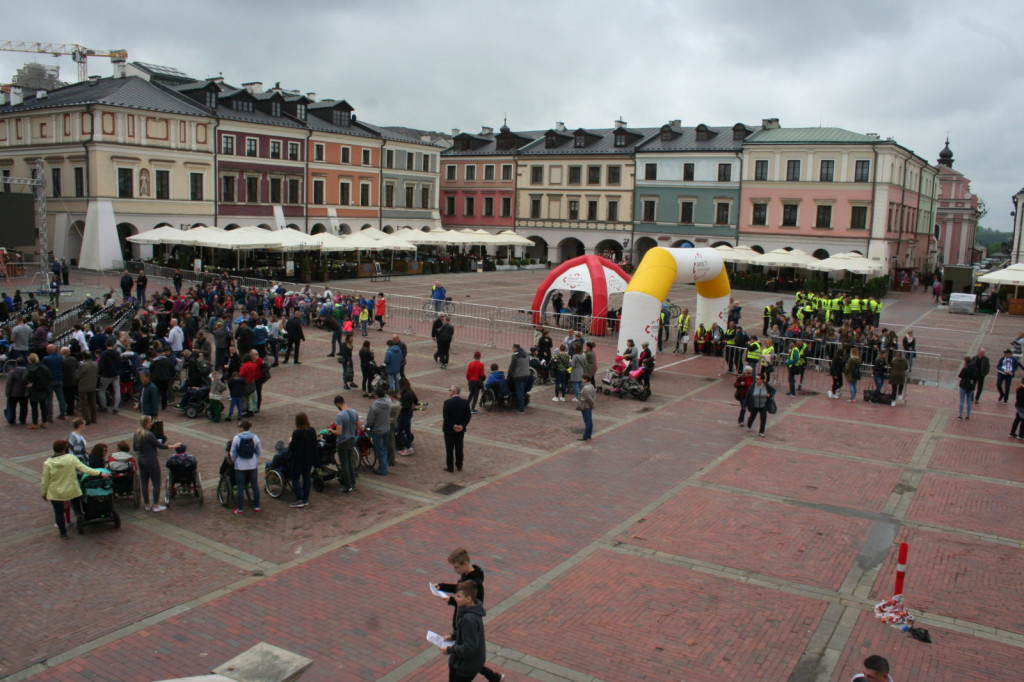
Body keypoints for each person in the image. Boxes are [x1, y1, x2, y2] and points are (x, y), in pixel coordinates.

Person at [432, 548, 505, 682]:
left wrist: (451, 600)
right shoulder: (467, 578)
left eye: (456, 568)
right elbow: (459, 590)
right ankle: (493, 676)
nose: (456, 571)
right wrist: (442, 587)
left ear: (465, 564)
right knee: (461, 656)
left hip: (467, 660)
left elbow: (469, 648)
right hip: (462, 627)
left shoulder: (470, 615)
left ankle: (493, 676)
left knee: (465, 656)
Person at [41, 439, 110, 538]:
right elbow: (85, 469)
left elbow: (45, 480)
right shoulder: (70, 458)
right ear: (65, 449)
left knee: (59, 513)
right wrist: (100, 473)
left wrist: (44, 493)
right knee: (77, 506)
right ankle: (79, 517)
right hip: (71, 489)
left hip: (56, 492)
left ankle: (63, 533)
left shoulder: (48, 463)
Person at [437, 581, 488, 682]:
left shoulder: (469, 619)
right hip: (468, 661)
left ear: (468, 599)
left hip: (467, 665)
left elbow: (469, 647)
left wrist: (449, 650)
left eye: (459, 596)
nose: (455, 598)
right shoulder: (471, 610)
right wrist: (453, 636)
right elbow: (465, 632)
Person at [133, 415, 179, 512]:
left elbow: (135, 448)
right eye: (150, 422)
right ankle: (156, 505)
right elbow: (160, 446)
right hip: (151, 459)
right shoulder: (149, 434)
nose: (151, 424)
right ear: (146, 424)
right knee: (156, 482)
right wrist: (173, 446)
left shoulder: (136, 433)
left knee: (144, 483)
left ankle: (147, 504)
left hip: (141, 459)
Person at [229, 419, 262, 514]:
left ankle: (240, 509)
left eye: (239, 426)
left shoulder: (237, 438)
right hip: (252, 465)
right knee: (254, 485)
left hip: (240, 466)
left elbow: (233, 453)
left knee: (240, 487)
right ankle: (257, 506)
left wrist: (235, 460)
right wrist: (254, 458)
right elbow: (259, 451)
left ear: (242, 428)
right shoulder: (255, 437)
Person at [328, 395, 358, 493]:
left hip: (343, 441)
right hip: (352, 439)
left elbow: (339, 432)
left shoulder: (340, 416)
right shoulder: (354, 412)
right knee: (350, 462)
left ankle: (348, 486)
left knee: (344, 464)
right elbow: (358, 426)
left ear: (337, 404)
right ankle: (353, 482)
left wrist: (331, 430)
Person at [288, 412, 317, 508]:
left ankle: (299, 498)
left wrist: (290, 442)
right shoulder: (312, 430)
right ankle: (306, 498)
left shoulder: (297, 432)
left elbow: (292, 447)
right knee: (306, 478)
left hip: (298, 459)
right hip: (308, 458)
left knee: (295, 478)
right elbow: (314, 444)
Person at [442, 385, 471, 472]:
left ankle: (450, 467)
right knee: (459, 447)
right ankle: (459, 465)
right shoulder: (465, 402)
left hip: (449, 429)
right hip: (460, 430)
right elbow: (468, 416)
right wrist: (462, 425)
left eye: (450, 390)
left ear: (453, 392)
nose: (449, 392)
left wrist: (453, 425)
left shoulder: (447, 402)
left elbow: (445, 417)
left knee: (449, 448)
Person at [364, 385, 391, 476]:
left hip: (377, 430)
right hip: (386, 428)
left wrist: (366, 427)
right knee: (384, 448)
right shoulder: (388, 401)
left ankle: (382, 469)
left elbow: (370, 421)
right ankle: (385, 465)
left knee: (379, 450)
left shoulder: (375, 406)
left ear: (376, 395)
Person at [744, 372, 777, 437]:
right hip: (755, 405)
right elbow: (748, 394)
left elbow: (773, 390)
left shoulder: (766, 385)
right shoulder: (753, 385)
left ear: (762, 380)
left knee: (763, 418)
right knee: (752, 417)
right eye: (756, 379)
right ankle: (749, 425)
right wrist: (744, 404)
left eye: (758, 379)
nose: (757, 380)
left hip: (763, 405)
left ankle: (761, 431)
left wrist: (770, 394)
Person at [25, 353, 52, 429]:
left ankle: (35, 423)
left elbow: (24, 379)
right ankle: (44, 422)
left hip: (34, 390)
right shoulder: (44, 368)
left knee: (34, 407)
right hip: (43, 389)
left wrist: (28, 384)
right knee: (43, 406)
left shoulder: (29, 368)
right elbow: (50, 377)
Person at [397, 378, 418, 456]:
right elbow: (416, 400)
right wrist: (412, 407)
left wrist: (399, 407)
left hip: (404, 414)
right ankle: (408, 444)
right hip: (409, 413)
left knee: (400, 431)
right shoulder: (411, 391)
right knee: (407, 429)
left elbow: (405, 406)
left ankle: (409, 447)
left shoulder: (405, 394)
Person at [508, 343, 531, 412]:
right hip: (527, 375)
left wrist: (509, 375)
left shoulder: (515, 356)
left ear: (515, 348)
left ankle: (521, 408)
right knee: (523, 391)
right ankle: (523, 403)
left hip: (518, 376)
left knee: (519, 392)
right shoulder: (527, 355)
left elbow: (512, 367)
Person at [957, 355, 978, 420]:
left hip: (963, 385)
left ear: (965, 362)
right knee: (969, 401)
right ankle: (968, 415)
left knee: (962, 400)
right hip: (971, 385)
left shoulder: (965, 368)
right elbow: (976, 376)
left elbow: (960, 375)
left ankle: (960, 415)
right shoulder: (974, 368)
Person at [578, 374, 596, 441]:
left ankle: (585, 436)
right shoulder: (591, 386)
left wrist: (591, 404)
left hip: (586, 406)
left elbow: (588, 398)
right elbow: (594, 396)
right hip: (589, 405)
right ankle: (589, 435)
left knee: (587, 421)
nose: (581, 380)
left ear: (586, 380)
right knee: (590, 420)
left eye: (582, 379)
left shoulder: (585, 388)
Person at [1011, 375, 1024, 440]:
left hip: (1018, 406)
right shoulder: (1022, 389)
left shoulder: (1019, 388)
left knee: (1017, 419)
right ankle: (1021, 434)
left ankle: (1012, 432)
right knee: (1023, 420)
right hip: (1022, 406)